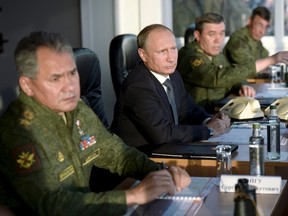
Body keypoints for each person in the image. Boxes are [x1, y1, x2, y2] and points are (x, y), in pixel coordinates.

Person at [0, 31, 192, 215]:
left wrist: (162, 173)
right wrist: (133, 195)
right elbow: (52, 204)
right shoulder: (19, 131)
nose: (70, 86)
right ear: (27, 85)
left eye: (72, 73)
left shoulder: (77, 109)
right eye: (56, 78)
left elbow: (115, 153)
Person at [111, 24, 230, 155]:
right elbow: (162, 134)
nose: (171, 58)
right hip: (143, 160)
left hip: (170, 150)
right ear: (143, 55)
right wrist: (208, 130)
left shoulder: (172, 74)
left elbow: (189, 111)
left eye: (173, 49)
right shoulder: (137, 86)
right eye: (163, 51)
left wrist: (211, 120)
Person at [177, 13, 288, 113]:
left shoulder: (215, 53)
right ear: (197, 35)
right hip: (199, 119)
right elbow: (218, 77)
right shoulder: (190, 57)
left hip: (220, 111)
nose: (218, 40)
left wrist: (241, 86)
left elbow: (230, 72)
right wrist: (271, 60)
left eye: (221, 33)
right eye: (211, 34)